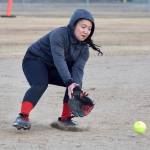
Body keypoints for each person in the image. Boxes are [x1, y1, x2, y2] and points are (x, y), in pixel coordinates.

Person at [13, 9, 103, 130]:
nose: (86, 31)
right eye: (83, 26)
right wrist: (70, 82)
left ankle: (65, 119)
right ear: (73, 24)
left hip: (54, 68)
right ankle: (22, 117)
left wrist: (76, 89)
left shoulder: (84, 50)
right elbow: (59, 59)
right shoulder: (59, 34)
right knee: (41, 83)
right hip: (34, 61)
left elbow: (78, 70)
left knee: (75, 85)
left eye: (89, 29)